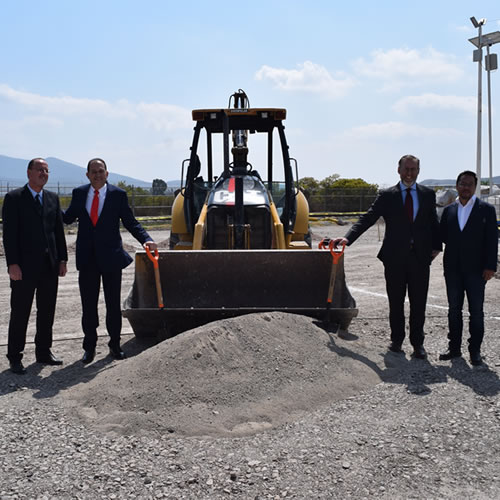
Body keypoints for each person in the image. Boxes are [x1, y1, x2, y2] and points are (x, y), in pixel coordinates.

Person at [332, 154, 441, 358]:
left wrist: (437, 246)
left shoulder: (427, 194)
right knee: (396, 301)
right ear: (398, 170)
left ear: (418, 171)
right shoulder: (387, 195)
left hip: (420, 258)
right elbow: (368, 218)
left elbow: (433, 222)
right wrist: (348, 238)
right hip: (394, 258)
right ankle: (396, 341)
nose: (409, 173)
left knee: (419, 303)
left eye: (413, 169)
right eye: (406, 169)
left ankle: (418, 344)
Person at [63, 158, 157, 364]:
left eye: (101, 171)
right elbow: (67, 218)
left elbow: (130, 222)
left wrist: (147, 240)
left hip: (111, 259)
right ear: (87, 175)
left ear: (107, 174)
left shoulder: (118, 195)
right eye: (93, 172)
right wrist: (49, 208)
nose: (97, 174)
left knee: (113, 305)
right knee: (88, 306)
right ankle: (89, 347)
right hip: (87, 259)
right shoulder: (79, 194)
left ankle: (115, 345)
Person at [2, 158, 67, 374]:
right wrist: (12, 264)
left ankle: (43, 351)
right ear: (28, 172)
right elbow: (9, 235)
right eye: (40, 169)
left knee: (47, 311)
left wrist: (63, 259)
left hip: (49, 266)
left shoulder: (52, 198)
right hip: (23, 267)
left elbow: (58, 232)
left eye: (47, 170)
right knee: (20, 312)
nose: (44, 173)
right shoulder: (14, 199)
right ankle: (14, 356)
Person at [439, 170, 498, 366]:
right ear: (457, 186)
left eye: (470, 184)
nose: (465, 187)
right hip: (453, 270)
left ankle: (475, 351)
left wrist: (490, 266)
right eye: (462, 184)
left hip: (477, 270)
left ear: (475, 187)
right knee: (453, 310)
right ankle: (454, 348)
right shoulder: (449, 211)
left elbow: (492, 240)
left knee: (476, 312)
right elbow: (443, 237)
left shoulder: (486, 210)